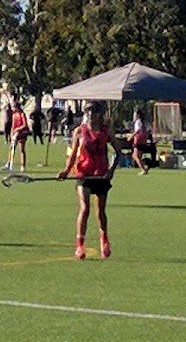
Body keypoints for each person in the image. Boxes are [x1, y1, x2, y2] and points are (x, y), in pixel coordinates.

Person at [58, 101, 121, 260]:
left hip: (101, 174)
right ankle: (80, 245)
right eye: (88, 110)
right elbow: (73, 155)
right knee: (84, 208)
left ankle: (104, 239)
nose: (91, 113)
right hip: (83, 174)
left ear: (100, 113)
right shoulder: (79, 131)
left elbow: (119, 152)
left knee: (100, 212)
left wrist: (111, 171)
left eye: (94, 110)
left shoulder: (106, 131)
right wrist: (66, 170)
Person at [6, 100, 30, 172]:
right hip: (15, 134)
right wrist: (11, 134)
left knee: (22, 149)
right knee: (11, 148)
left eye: (14, 106)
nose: (12, 108)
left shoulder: (22, 114)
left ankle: (23, 166)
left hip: (22, 133)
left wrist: (18, 129)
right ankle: (9, 163)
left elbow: (25, 125)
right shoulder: (14, 115)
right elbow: (13, 125)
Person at [129, 109, 154, 175]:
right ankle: (144, 168)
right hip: (143, 140)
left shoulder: (138, 122)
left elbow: (137, 130)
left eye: (135, 114)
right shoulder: (145, 122)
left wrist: (131, 136)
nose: (134, 116)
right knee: (138, 156)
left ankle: (143, 169)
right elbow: (149, 130)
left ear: (138, 115)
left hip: (138, 140)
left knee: (135, 156)